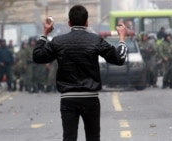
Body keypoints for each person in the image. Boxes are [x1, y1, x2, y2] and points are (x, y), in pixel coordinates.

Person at [33, 5, 127, 141]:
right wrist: (122, 37)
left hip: (68, 99)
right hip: (90, 98)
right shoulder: (96, 40)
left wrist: (45, 33)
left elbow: (37, 56)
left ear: (69, 23)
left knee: (69, 138)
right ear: (87, 22)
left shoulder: (58, 42)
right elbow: (120, 59)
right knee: (93, 137)